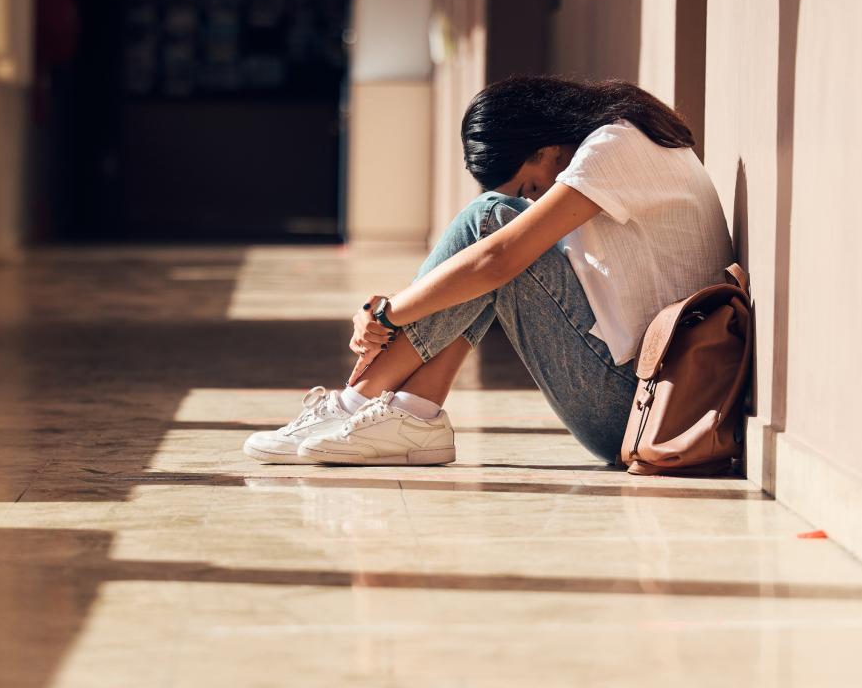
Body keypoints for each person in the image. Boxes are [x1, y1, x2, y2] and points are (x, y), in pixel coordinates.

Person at [243, 76, 734, 466]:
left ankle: (361, 403)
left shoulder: (616, 146)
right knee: (491, 246)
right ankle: (410, 413)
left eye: (529, 183)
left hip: (641, 409)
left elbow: (497, 258)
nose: (534, 196)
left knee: (492, 225)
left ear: (544, 146)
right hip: (637, 400)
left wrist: (386, 314)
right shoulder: (630, 139)